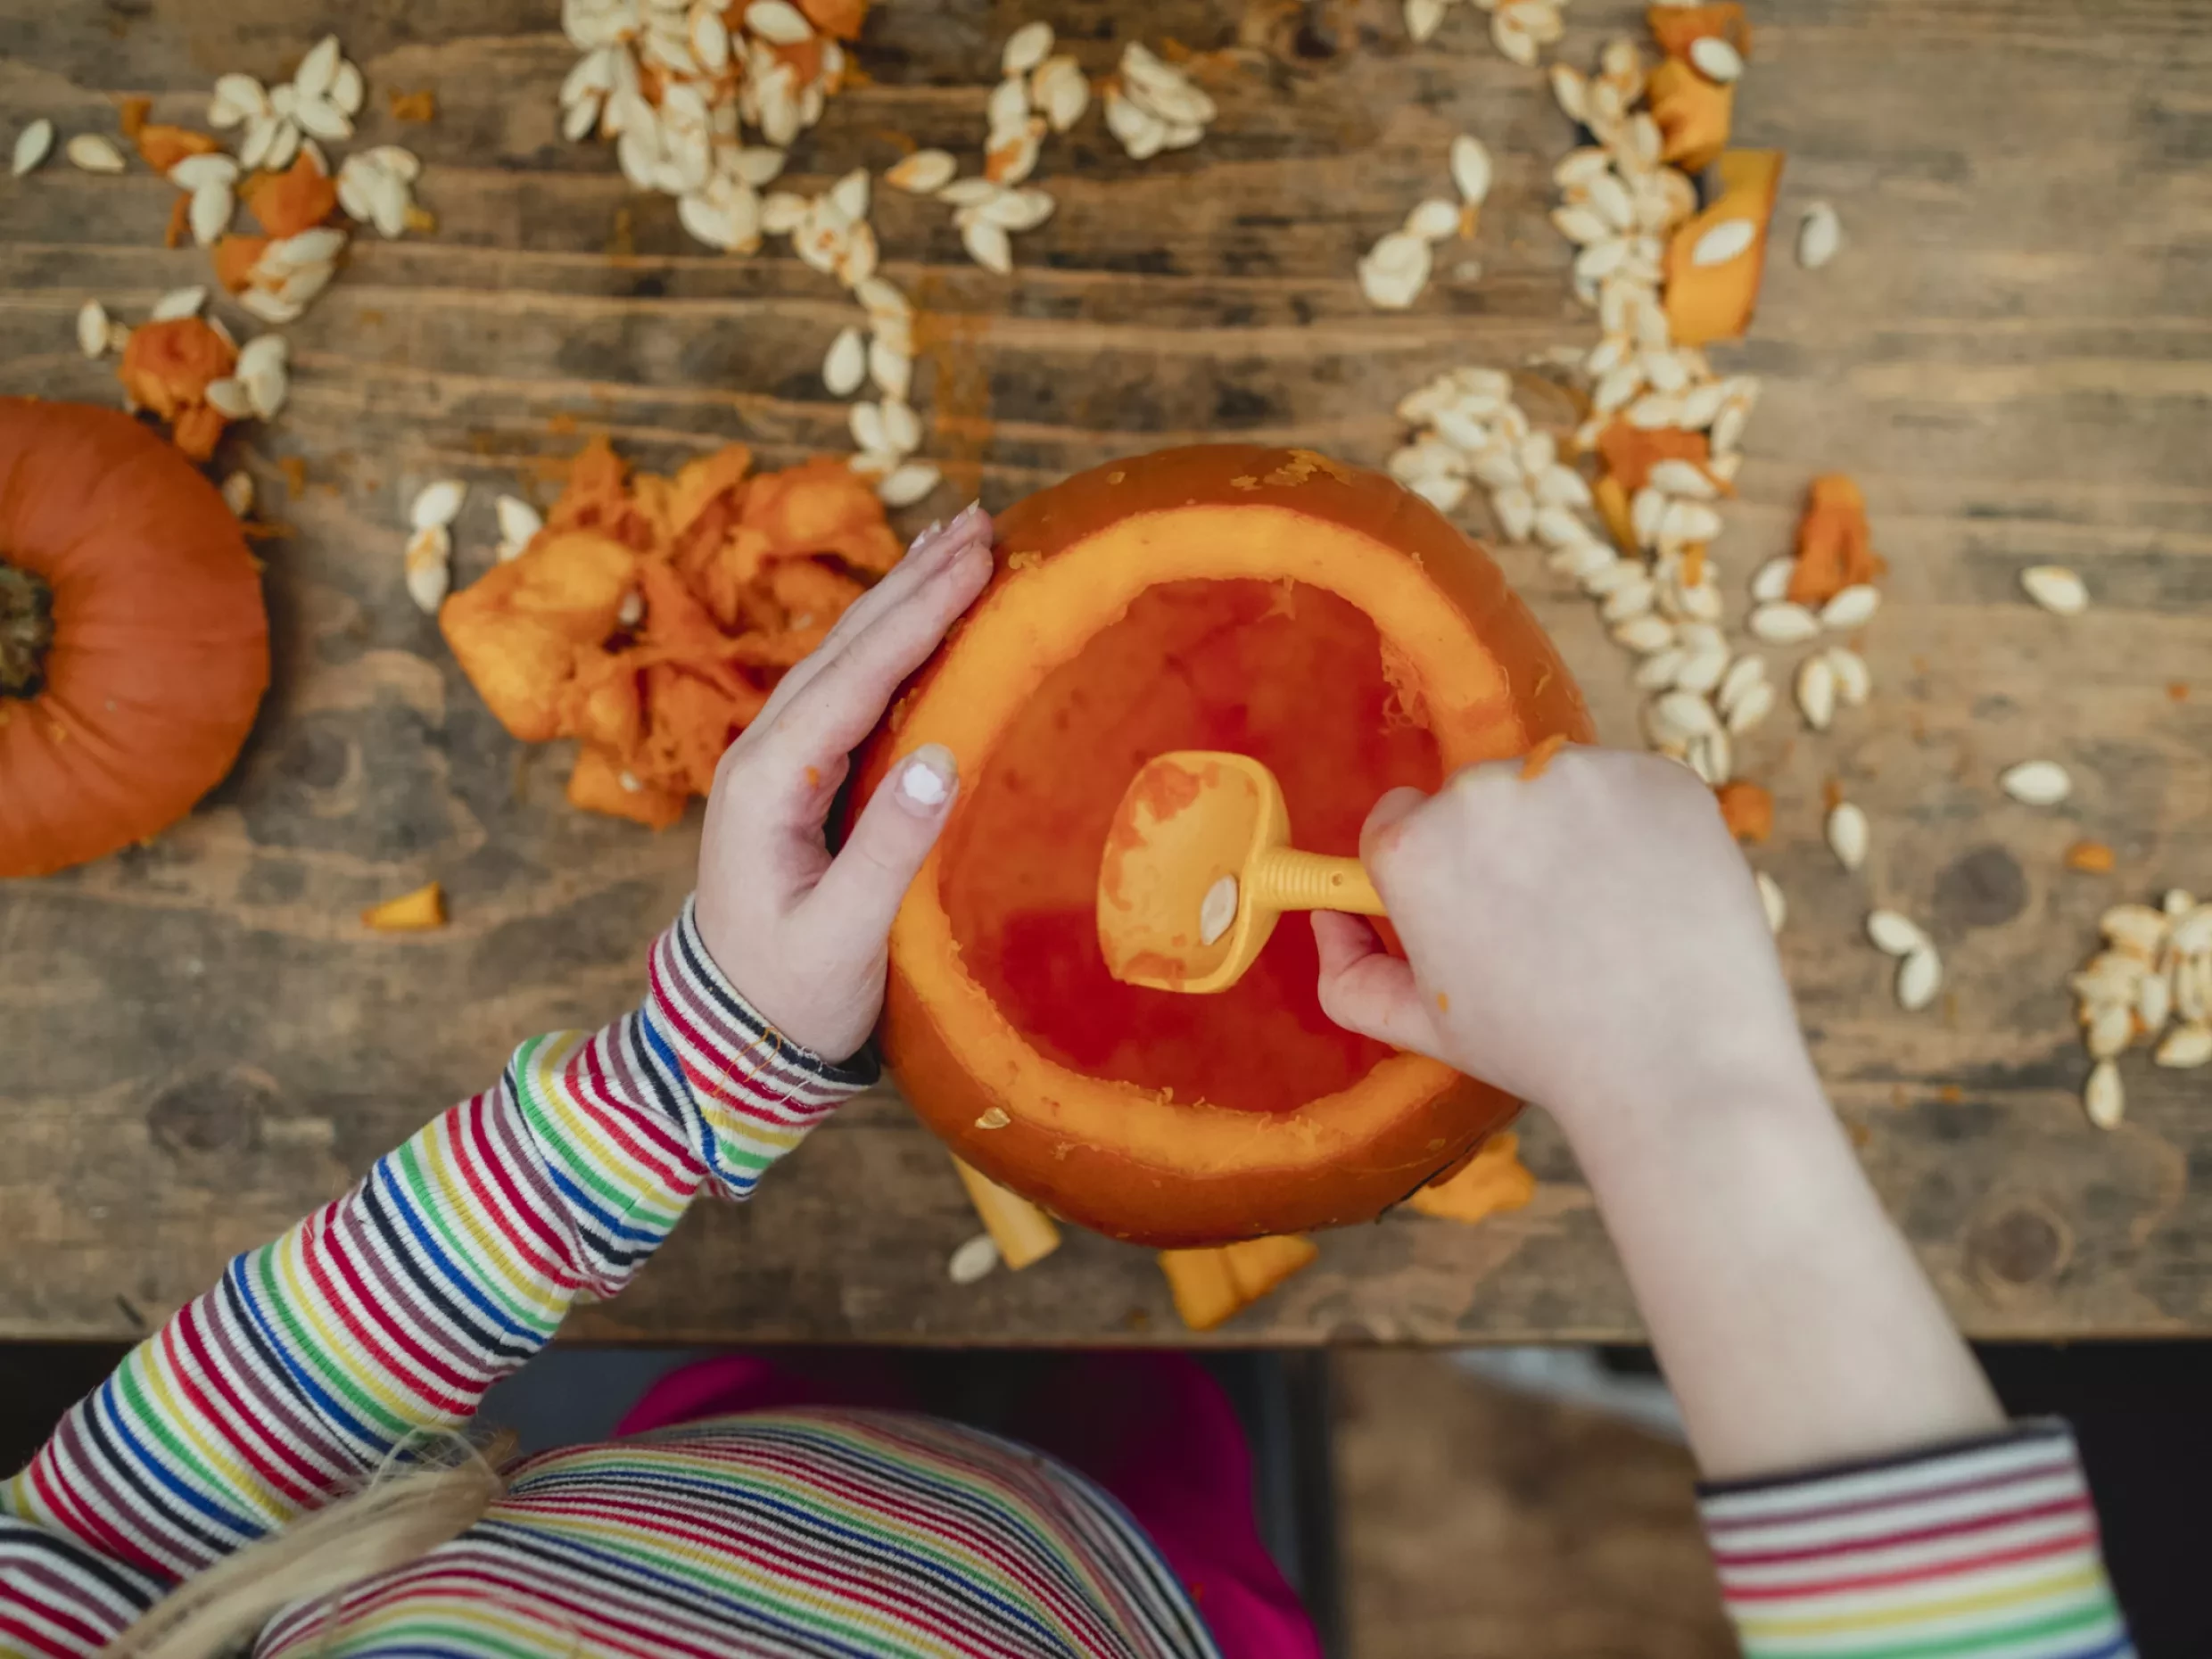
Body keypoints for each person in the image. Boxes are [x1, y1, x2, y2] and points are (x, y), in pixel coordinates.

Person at [1, 507, 2130, 1659]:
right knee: (1194, 1514)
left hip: (723, 1475)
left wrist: (679, 1076)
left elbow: (132, 1507)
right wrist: (1688, 1093)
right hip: (1144, 1613)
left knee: (1056, 1428)